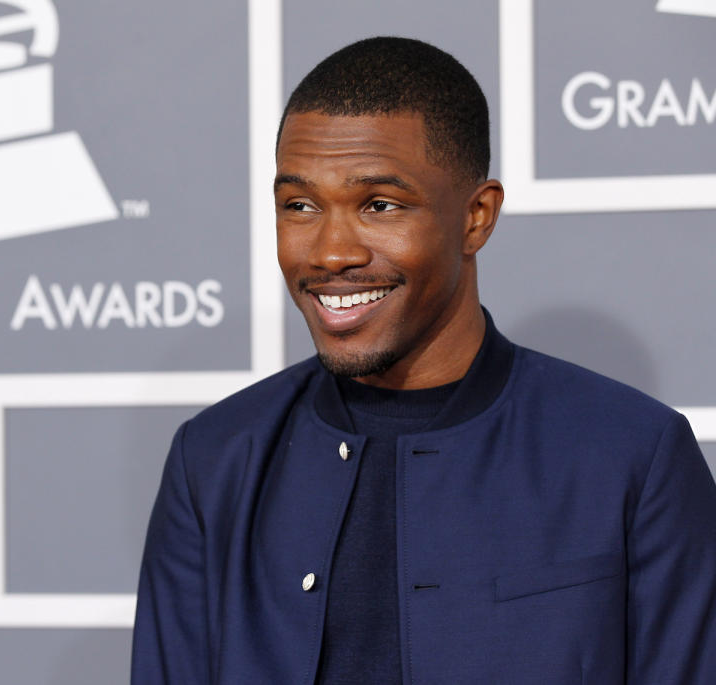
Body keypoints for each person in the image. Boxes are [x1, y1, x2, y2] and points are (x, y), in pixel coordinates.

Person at [131, 37, 716, 684]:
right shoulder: (213, 459)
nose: (329, 253)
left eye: (379, 205)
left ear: (476, 217)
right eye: (299, 205)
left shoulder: (634, 453)